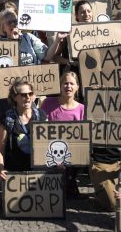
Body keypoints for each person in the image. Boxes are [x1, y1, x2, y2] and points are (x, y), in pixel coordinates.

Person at [88, 66, 121, 211]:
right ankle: (102, 187)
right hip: (106, 162)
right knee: (114, 205)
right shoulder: (106, 101)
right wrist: (96, 94)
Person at [41, 70, 84, 198]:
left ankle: (69, 181)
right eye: (65, 83)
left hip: (73, 152)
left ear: (77, 87)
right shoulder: (48, 103)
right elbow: (41, 131)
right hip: (50, 149)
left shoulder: (82, 109)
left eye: (72, 83)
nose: (68, 87)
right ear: (59, 86)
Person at [0, 80, 47, 179]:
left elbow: (49, 143)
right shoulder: (7, 119)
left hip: (38, 170)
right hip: (15, 172)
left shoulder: (41, 115)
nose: (27, 97)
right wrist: (1, 169)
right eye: (23, 95)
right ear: (15, 97)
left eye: (30, 94)